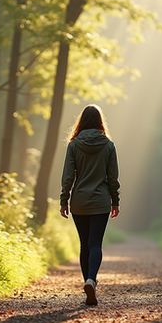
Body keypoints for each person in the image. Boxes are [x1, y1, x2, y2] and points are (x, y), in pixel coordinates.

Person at [60, 104, 120, 306]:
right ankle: (91, 280)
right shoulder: (109, 145)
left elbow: (68, 176)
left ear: (82, 121)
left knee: (84, 244)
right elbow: (113, 177)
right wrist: (115, 201)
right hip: (101, 201)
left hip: (79, 202)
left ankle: (88, 283)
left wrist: (64, 199)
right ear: (100, 121)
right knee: (95, 243)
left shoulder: (74, 145)